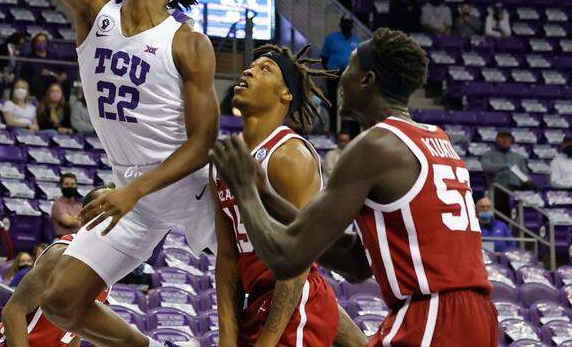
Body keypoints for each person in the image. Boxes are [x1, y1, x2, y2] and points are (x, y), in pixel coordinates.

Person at [0, 0, 220, 347]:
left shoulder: (188, 43)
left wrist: (133, 192)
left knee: (289, 284)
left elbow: (203, 144)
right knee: (62, 301)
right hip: (132, 194)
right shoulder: (97, 11)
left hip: (193, 193)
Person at [209, 28, 498, 347]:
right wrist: (266, 195)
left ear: (366, 80)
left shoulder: (375, 146)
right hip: (476, 313)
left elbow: (287, 259)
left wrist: (246, 192)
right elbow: (357, 262)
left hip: (434, 314)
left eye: (349, 67)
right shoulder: (435, 139)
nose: (340, 76)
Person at [213, 44, 357, 347]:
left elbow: (298, 265)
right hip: (258, 300)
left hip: (295, 302)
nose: (248, 71)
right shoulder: (225, 160)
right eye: (251, 66)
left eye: (264, 69)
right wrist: (227, 338)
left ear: (286, 93)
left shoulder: (290, 155)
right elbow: (227, 258)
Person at [0, 188, 113, 347]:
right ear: (83, 215)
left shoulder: (108, 266)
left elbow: (74, 330)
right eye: (104, 205)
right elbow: (13, 311)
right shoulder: (62, 254)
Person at [320, 16, 359, 126]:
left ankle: (349, 129)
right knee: (332, 101)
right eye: (344, 23)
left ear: (352, 25)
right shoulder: (332, 38)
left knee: (350, 101)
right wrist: (328, 71)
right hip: (334, 74)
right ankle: (333, 128)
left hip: (350, 75)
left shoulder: (356, 41)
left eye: (349, 23)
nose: (346, 25)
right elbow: (324, 56)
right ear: (340, 24)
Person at [481, 131, 533, 195]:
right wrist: (504, 166)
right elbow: (486, 167)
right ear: (497, 139)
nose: (505, 140)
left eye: (507, 138)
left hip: (515, 191)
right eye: (502, 137)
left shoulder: (518, 157)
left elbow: (525, 176)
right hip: (497, 190)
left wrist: (528, 181)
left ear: (511, 140)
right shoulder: (488, 155)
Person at [25, 32, 70, 102]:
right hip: (40, 80)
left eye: (43, 41)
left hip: (54, 78)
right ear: (34, 43)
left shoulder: (52, 55)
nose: (41, 43)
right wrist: (54, 74)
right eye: (38, 41)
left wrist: (64, 74)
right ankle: (41, 103)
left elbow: (62, 66)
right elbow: (41, 71)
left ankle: (65, 104)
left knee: (67, 82)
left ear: (47, 43)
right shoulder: (31, 57)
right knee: (38, 81)